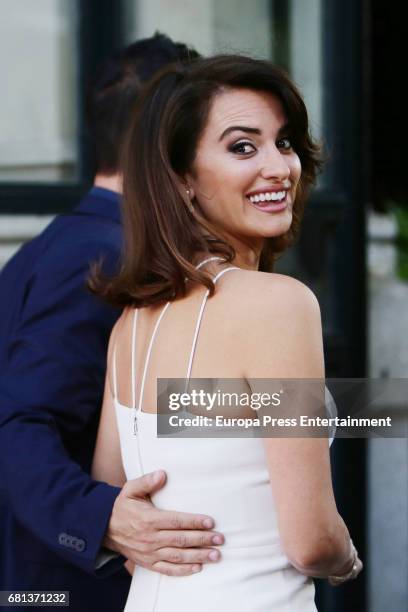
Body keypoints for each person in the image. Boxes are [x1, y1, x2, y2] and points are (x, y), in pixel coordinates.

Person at [91, 54, 363, 610]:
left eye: (284, 142)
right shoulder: (278, 305)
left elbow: (113, 491)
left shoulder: (131, 324)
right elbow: (311, 541)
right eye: (243, 147)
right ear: (183, 178)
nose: (279, 167)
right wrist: (345, 556)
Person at [0, 35, 225, 612]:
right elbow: (21, 418)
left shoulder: (65, 243)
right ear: (169, 139)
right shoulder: (108, 255)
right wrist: (102, 519)